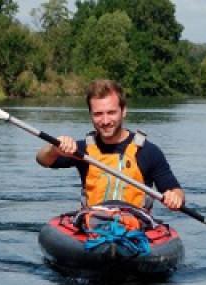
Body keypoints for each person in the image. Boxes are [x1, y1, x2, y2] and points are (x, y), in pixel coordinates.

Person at [36, 79, 184, 211]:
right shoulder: (81, 150)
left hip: (135, 229)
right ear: (90, 114)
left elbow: (176, 191)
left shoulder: (148, 151)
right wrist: (53, 149)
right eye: (98, 114)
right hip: (93, 226)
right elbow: (42, 160)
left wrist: (175, 197)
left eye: (111, 112)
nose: (105, 121)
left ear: (123, 111)